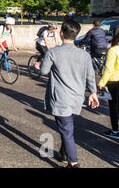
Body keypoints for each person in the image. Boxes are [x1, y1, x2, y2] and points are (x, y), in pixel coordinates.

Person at [40, 19, 99, 168]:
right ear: (76, 34)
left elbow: (44, 71)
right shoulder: (84, 55)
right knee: (66, 127)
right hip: (77, 97)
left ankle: (73, 163)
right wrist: (93, 93)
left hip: (61, 98)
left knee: (66, 130)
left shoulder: (53, 52)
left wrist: (38, 64)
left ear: (61, 33)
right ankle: (64, 153)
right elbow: (90, 76)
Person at [98, 25, 119, 140]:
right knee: (117, 104)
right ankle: (115, 130)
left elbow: (108, 69)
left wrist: (102, 82)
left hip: (113, 81)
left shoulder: (113, 50)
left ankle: (115, 131)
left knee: (113, 106)